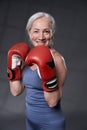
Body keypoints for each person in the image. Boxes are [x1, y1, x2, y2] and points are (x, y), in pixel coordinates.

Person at [7, 12, 67, 130]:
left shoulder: (57, 60)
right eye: (36, 31)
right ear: (29, 33)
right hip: (30, 121)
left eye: (46, 31)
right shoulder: (27, 57)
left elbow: (52, 102)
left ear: (52, 34)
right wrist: (13, 67)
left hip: (51, 123)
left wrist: (47, 70)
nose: (41, 37)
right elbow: (16, 91)